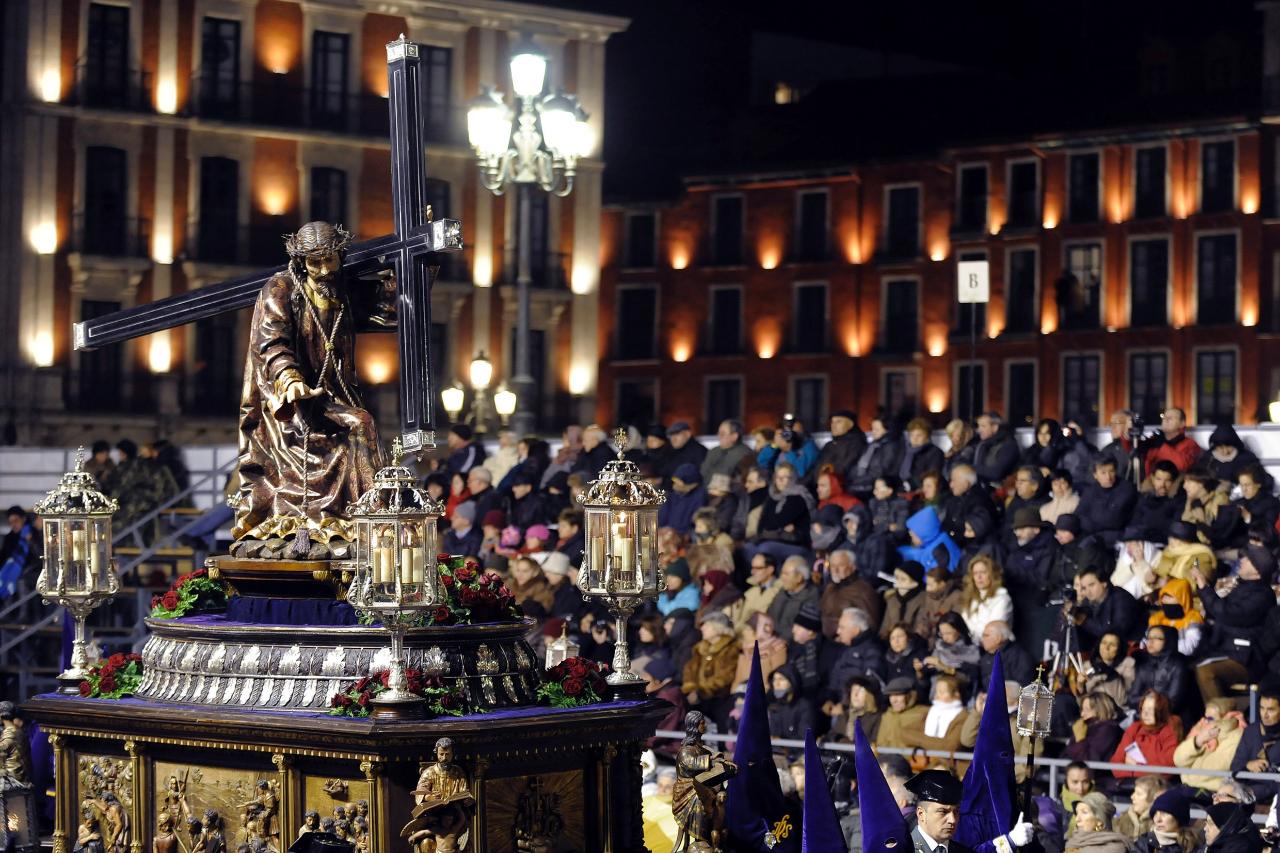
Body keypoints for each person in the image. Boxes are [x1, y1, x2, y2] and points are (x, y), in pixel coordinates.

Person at [230, 222, 395, 550]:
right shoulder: (280, 289)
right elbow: (271, 340)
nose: (322, 270)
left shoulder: (343, 290)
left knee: (359, 425)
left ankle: (369, 521)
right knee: (359, 423)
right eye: (313, 262)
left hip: (333, 395)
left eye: (329, 261)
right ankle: (366, 519)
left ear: (340, 256)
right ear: (299, 261)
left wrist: (422, 256)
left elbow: (388, 311)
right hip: (290, 401)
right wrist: (289, 378)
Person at [1193, 545, 1274, 708]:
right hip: (1225, 650)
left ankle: (1220, 720)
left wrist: (1204, 587)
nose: (1241, 561)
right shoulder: (1242, 587)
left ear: (1258, 571)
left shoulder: (1262, 595)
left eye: (1248, 559)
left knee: (1206, 673)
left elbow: (1228, 614)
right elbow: (1218, 612)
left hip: (1245, 658)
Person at [904, 769, 1033, 853]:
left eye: (956, 812)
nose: (953, 820)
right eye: (943, 812)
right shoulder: (902, 849)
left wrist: (1011, 840)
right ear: (921, 814)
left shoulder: (957, 850)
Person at [1173, 698, 1245, 793]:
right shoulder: (1203, 731)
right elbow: (1178, 760)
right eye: (1205, 717)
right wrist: (1198, 741)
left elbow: (1217, 767)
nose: (1205, 721)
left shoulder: (1236, 736)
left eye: (1210, 718)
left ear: (1226, 717)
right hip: (1191, 786)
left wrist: (1188, 771)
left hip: (1214, 791)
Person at [681, 612, 738, 728]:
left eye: (706, 625)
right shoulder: (700, 649)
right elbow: (689, 669)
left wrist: (701, 691)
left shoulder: (731, 649)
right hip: (698, 699)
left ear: (718, 628)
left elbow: (726, 676)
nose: (702, 628)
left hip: (721, 699)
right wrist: (691, 688)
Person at [1128, 625, 1194, 724]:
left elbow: (1173, 702)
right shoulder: (1144, 664)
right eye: (1149, 638)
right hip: (1145, 717)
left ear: (1168, 640)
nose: (1150, 642)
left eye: (1157, 638)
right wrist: (1149, 704)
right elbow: (1131, 699)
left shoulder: (1179, 664)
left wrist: (1148, 703)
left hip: (1173, 719)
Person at [1110, 690, 1180, 778]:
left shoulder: (1170, 731)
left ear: (1160, 712)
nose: (1145, 714)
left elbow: (1167, 768)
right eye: (1143, 709)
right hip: (1129, 783)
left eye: (1150, 710)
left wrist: (1136, 769)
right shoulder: (1134, 729)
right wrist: (1132, 771)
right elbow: (1115, 762)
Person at [1228, 687, 1280, 803]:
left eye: (1271, 710)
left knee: (1231, 795)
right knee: (1224, 793)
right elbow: (1235, 766)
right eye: (1262, 708)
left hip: (1273, 793)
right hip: (1249, 788)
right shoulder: (1251, 731)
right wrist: (1248, 765)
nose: (1265, 715)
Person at [1072, 565, 1144, 647]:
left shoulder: (1121, 598)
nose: (1088, 591)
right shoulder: (1089, 601)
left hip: (1133, 647)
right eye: (1084, 588)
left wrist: (1084, 621)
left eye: (1091, 585)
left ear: (1104, 583)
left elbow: (1115, 632)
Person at [1077, 457, 1138, 549]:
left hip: (1118, 537)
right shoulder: (1090, 491)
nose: (1108, 477)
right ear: (1095, 475)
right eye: (1103, 473)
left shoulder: (1127, 489)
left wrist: (1094, 526)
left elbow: (1113, 520)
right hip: (1093, 536)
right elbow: (1080, 515)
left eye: (1111, 471)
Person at [820, 548, 881, 638]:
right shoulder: (830, 588)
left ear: (852, 567)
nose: (835, 570)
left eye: (840, 565)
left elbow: (871, 625)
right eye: (832, 566)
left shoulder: (863, 591)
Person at [917, 612, 981, 697]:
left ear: (959, 630)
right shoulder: (939, 649)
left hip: (960, 698)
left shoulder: (971, 651)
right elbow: (925, 683)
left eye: (948, 633)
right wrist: (920, 671)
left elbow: (969, 679)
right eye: (942, 634)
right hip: (936, 698)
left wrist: (944, 667)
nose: (945, 638)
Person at [846, 414, 904, 497]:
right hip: (862, 481)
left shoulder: (891, 446)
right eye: (872, 429)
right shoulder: (872, 445)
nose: (873, 432)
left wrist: (859, 481)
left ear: (887, 430)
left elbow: (881, 471)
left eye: (876, 429)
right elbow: (857, 464)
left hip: (875, 485)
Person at [959, 555, 1013, 641]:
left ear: (992, 575)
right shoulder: (970, 597)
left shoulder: (1002, 599)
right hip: (973, 646)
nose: (979, 577)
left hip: (997, 649)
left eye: (983, 572)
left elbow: (991, 633)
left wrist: (969, 635)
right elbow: (962, 625)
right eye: (975, 573)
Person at [766, 556, 819, 639]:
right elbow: (769, 615)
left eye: (786, 574)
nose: (782, 578)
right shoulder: (782, 593)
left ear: (799, 577)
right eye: (782, 573)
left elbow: (801, 631)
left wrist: (772, 631)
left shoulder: (812, 596)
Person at [1147, 579, 1203, 657]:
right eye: (1163, 597)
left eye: (1169, 597)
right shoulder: (1157, 618)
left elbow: (1188, 648)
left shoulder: (1193, 618)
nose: (1164, 600)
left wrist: (1160, 646)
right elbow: (1146, 642)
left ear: (1182, 599)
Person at [1133, 788, 1200, 853]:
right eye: (1155, 814)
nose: (1158, 820)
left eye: (1164, 814)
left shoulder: (1194, 847)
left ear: (1179, 817)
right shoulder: (1143, 844)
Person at [1064, 692, 1124, 763]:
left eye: (1087, 710)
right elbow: (1066, 754)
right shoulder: (1084, 727)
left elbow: (1090, 760)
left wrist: (1080, 739)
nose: (1082, 714)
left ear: (1101, 710)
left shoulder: (1108, 730)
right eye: (1082, 709)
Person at [813, 410, 867, 489]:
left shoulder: (856, 444)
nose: (833, 425)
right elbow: (816, 466)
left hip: (843, 487)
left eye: (838, 422)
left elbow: (844, 468)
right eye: (832, 422)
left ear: (850, 424)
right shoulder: (830, 445)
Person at [898, 505, 962, 572]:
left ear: (923, 534)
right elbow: (919, 554)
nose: (912, 540)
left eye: (913, 536)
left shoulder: (939, 550)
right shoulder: (933, 540)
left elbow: (938, 576)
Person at [1145, 408, 1202, 476]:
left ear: (1182, 423)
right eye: (1164, 417)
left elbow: (1183, 465)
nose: (1166, 420)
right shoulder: (1155, 441)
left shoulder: (1191, 444)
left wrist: (1162, 446)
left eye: (1170, 418)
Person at [765, 664, 815, 742]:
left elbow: (804, 738)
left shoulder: (804, 706)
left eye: (781, 679)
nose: (776, 684)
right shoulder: (773, 706)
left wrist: (781, 742)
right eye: (774, 680)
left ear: (792, 682)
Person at [978, 620, 1035, 686]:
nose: (982, 639)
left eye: (986, 635)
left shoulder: (1019, 656)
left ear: (998, 638)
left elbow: (1023, 687)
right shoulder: (985, 658)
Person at [1114, 775, 1169, 842]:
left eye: (1139, 794)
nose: (1132, 797)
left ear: (1155, 799)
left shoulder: (1162, 824)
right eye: (1134, 792)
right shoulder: (1121, 819)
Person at [973, 412, 1020, 487]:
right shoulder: (982, 444)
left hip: (999, 492)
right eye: (979, 426)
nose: (979, 430)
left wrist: (972, 468)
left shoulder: (1008, 445)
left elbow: (996, 473)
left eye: (983, 426)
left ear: (995, 427)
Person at [658, 464, 707, 536]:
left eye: (679, 482)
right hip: (667, 531)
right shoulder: (673, 495)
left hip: (685, 535)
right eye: (675, 482)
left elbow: (694, 521)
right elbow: (663, 515)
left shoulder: (700, 497)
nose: (675, 485)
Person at [898, 418, 945, 491]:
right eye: (912, 435)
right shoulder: (904, 451)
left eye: (919, 435)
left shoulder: (935, 452)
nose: (915, 438)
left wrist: (909, 484)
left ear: (927, 436)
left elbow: (932, 475)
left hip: (920, 490)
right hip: (901, 488)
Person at [700, 419, 752, 484]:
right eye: (718, 433)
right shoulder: (713, 451)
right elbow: (703, 472)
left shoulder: (746, 455)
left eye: (722, 434)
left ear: (734, 436)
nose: (719, 436)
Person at [882, 562, 926, 640]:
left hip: (914, 643)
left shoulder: (924, 599)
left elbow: (921, 628)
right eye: (897, 577)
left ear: (915, 581)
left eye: (903, 579)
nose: (898, 581)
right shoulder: (892, 599)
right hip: (891, 642)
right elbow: (885, 625)